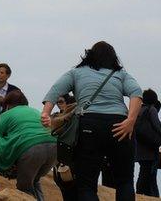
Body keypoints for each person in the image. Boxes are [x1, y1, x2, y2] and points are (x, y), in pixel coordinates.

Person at [42, 41, 143, 201]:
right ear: (113, 58)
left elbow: (55, 90)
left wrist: (46, 113)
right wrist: (130, 121)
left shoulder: (76, 73)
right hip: (120, 124)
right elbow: (136, 93)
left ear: (89, 55)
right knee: (124, 181)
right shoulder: (120, 74)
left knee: (86, 185)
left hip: (90, 124)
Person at [0, 90, 58, 200]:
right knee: (35, 180)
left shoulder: (6, 114)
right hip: (54, 149)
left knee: (24, 188)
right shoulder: (35, 111)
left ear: (8, 104)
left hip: (31, 149)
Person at [135, 88, 161, 197]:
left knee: (143, 170)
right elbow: (156, 124)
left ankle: (142, 193)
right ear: (154, 100)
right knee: (147, 172)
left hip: (139, 146)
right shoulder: (151, 109)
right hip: (150, 146)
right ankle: (141, 194)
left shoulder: (138, 109)